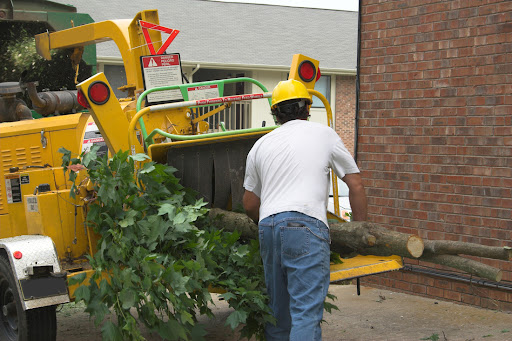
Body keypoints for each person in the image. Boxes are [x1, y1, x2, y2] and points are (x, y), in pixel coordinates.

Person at [242, 79, 367, 341]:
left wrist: (269, 223)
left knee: (278, 314)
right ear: (307, 108)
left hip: (268, 227)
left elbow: (250, 204)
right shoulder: (324, 134)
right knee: (305, 314)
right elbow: (355, 183)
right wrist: (360, 231)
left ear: (275, 113)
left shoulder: (260, 145)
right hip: (306, 226)